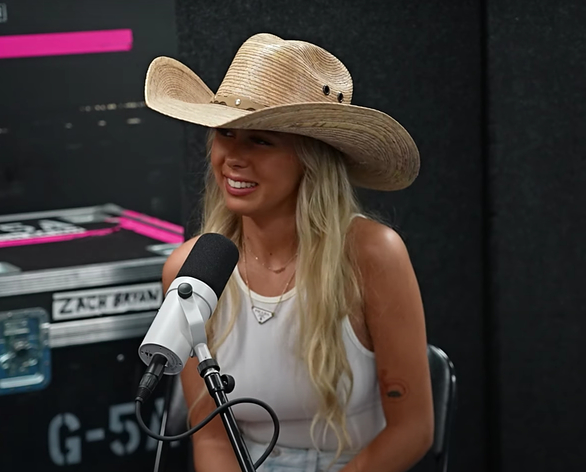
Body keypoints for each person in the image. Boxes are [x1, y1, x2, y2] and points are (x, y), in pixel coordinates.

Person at [144, 33, 433, 472]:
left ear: (310, 159)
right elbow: (213, 440)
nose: (233, 158)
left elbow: (412, 430)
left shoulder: (373, 254)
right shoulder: (189, 271)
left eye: (261, 140)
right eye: (226, 133)